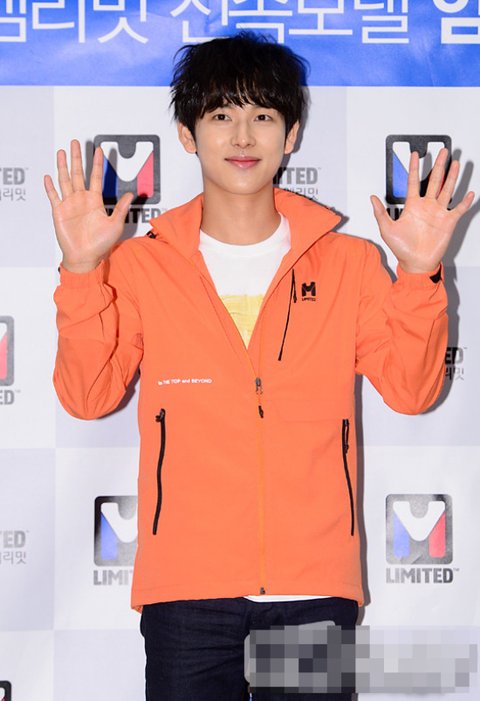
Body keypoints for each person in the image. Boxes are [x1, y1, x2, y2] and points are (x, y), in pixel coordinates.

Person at [44, 32, 473, 701]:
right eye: (221, 114)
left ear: (291, 134)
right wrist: (80, 272)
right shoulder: (139, 266)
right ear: (187, 134)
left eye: (263, 115)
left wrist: (419, 275)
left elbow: (413, 392)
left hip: (313, 589)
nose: (243, 136)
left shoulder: (348, 263)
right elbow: (87, 395)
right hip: (186, 589)